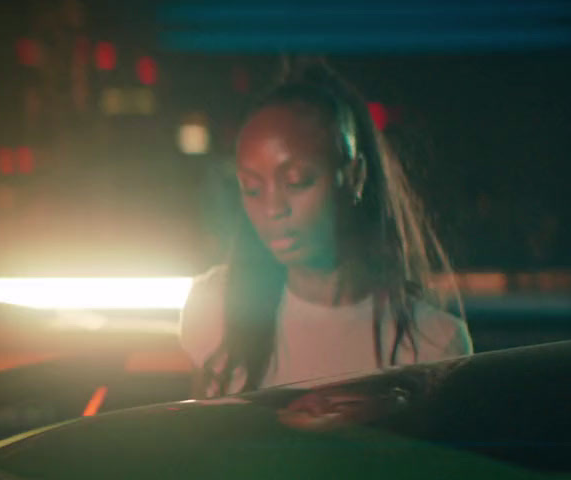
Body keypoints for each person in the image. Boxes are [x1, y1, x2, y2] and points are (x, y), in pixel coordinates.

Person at [180, 59, 473, 398]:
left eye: (297, 181)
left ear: (355, 177)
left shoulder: (432, 341)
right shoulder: (215, 308)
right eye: (253, 189)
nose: (274, 209)